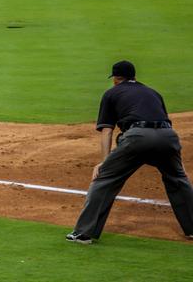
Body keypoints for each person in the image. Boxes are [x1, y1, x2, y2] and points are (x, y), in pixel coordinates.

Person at [66, 61, 193, 244]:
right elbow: (164, 121)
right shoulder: (153, 92)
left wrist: (105, 161)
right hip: (168, 137)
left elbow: (107, 131)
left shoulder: (112, 93)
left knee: (105, 179)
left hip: (138, 138)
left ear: (116, 79)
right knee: (178, 179)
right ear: (134, 76)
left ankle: (83, 233)